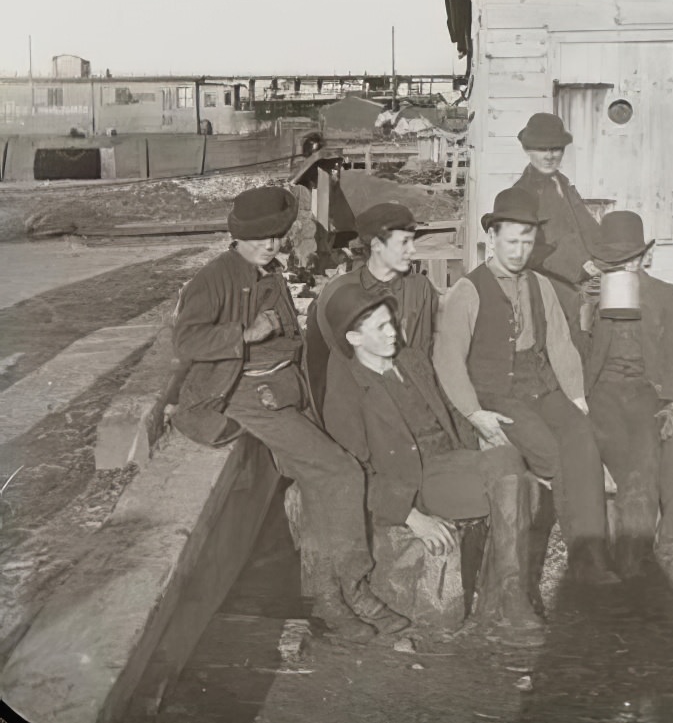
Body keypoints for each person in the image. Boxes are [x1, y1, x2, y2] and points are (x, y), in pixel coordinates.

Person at [171, 186, 409, 642]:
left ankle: (327, 596)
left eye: (278, 236)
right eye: (261, 238)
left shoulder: (270, 272)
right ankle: (354, 590)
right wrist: (246, 332)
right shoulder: (215, 277)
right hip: (245, 396)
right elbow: (185, 342)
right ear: (237, 237)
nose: (272, 245)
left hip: (284, 391)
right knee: (340, 473)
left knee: (323, 479)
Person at [322, 284, 544, 644]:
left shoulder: (411, 361)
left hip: (451, 461)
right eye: (380, 327)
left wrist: (481, 440)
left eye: (390, 321)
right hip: (415, 483)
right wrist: (411, 516)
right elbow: (351, 471)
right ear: (354, 338)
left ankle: (499, 601)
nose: (393, 330)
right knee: (513, 478)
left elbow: (450, 415)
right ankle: (506, 602)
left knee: (516, 473)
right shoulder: (347, 391)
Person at [434, 187, 619, 599]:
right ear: (493, 239)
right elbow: (447, 359)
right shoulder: (468, 290)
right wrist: (474, 414)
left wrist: (576, 399)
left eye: (527, 241)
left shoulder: (540, 285)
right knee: (553, 454)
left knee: (583, 440)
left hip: (541, 385)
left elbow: (560, 346)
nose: (519, 250)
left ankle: (589, 559)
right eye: (511, 240)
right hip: (497, 394)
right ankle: (536, 570)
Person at [582, 211, 673, 572]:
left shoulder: (665, 296)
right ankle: (626, 550)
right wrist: (583, 310)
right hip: (602, 392)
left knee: (643, 457)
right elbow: (577, 357)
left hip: (646, 391)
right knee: (621, 453)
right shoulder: (593, 297)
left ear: (641, 258)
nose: (621, 269)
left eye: (628, 260)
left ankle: (636, 556)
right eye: (613, 263)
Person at [306, 202, 438, 419]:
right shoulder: (338, 291)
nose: (412, 250)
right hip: (359, 408)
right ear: (376, 245)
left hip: (411, 402)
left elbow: (424, 351)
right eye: (404, 242)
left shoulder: (420, 288)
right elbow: (322, 361)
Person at [513, 113, 602, 341]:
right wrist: (578, 269)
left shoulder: (562, 183)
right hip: (551, 291)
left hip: (589, 286)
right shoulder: (522, 194)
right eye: (543, 149)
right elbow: (528, 251)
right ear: (528, 150)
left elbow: (586, 226)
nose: (550, 156)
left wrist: (604, 257)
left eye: (556, 149)